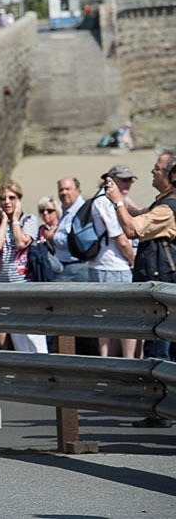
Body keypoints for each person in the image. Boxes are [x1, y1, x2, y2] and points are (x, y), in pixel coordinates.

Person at [107, 151, 176, 428]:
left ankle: (161, 412)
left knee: (160, 348)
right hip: (160, 284)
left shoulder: (168, 209)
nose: (152, 172)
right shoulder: (162, 204)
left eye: (157, 168)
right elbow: (140, 214)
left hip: (163, 286)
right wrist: (123, 201)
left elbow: (132, 229)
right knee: (160, 346)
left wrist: (117, 202)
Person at [0, 180, 48, 353]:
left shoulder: (29, 220)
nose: (7, 202)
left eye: (11, 198)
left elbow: (22, 242)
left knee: (33, 333)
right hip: (5, 285)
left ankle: (42, 363)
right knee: (16, 332)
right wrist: (4, 221)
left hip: (26, 284)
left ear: (19, 200)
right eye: (2, 198)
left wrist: (15, 220)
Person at [90, 165, 137, 359]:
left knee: (107, 319)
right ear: (110, 180)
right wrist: (134, 261)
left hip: (102, 265)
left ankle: (111, 363)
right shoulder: (106, 202)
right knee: (127, 319)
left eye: (130, 180)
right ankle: (126, 364)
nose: (127, 184)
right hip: (114, 266)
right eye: (123, 180)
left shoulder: (108, 199)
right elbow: (121, 239)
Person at [52, 177, 88, 282]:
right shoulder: (66, 210)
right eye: (61, 190)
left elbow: (78, 240)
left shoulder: (81, 211)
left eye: (67, 189)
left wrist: (52, 237)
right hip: (64, 266)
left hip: (77, 268)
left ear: (78, 191)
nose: (64, 193)